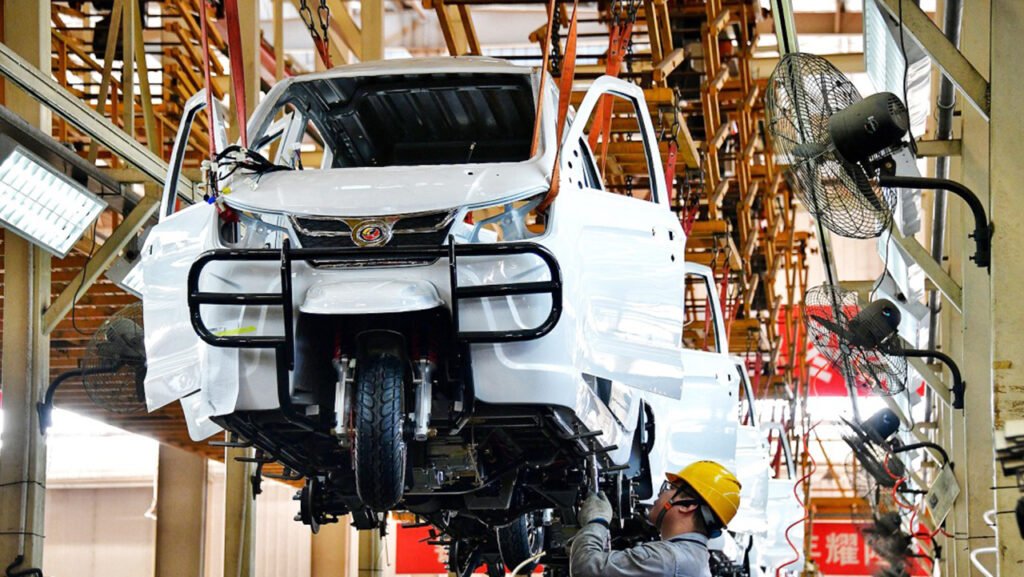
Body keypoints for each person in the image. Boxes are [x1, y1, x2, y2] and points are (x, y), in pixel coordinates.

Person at [569, 460, 741, 577]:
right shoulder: (696, 561)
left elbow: (585, 569)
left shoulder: (667, 558)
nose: (660, 494)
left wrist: (596, 522)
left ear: (688, 506)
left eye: (670, 488)